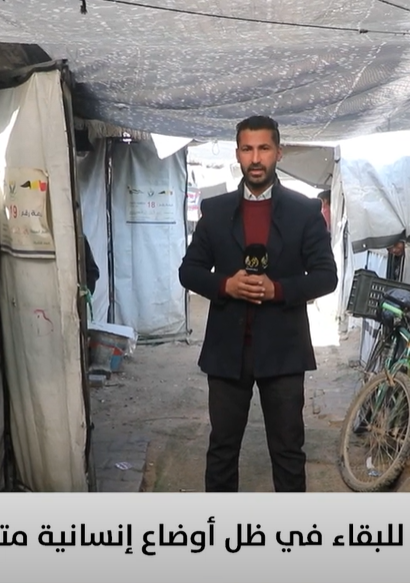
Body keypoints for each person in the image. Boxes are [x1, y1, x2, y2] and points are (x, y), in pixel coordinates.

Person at [178, 115, 338, 492]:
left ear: (278, 153)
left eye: (263, 148)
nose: (255, 158)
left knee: (288, 452)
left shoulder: (303, 211)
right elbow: (189, 271)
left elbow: (326, 276)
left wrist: (276, 291)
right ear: (237, 154)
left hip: (283, 351)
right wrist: (227, 285)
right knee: (221, 451)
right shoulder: (215, 211)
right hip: (226, 351)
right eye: (247, 149)